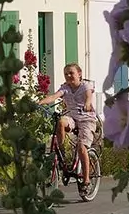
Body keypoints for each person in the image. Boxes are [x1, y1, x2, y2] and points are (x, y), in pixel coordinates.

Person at [37, 63, 97, 193]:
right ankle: (62, 152)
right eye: (66, 74)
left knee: (81, 148)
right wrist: (39, 103)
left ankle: (86, 181)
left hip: (87, 119)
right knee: (61, 122)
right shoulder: (65, 88)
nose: (68, 76)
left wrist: (87, 103)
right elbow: (54, 96)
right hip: (73, 118)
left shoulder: (86, 86)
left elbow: (88, 96)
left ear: (79, 74)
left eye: (71, 73)